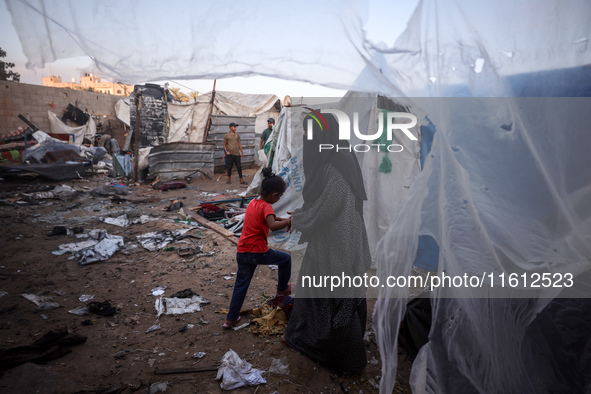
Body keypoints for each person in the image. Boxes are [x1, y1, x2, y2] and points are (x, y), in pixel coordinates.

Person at [284, 112, 371, 374]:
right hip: (340, 232)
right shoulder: (341, 154)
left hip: (337, 237)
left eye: (311, 134)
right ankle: (310, 338)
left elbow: (330, 204)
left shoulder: (333, 163)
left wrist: (299, 218)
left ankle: (346, 357)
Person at [223, 167, 293, 328]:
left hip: (243, 251)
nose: (280, 198)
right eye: (280, 196)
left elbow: (273, 219)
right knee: (286, 259)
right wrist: (288, 222)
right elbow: (273, 225)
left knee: (241, 285)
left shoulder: (254, 203)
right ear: (274, 195)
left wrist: (286, 219)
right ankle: (282, 289)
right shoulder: (267, 206)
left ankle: (231, 319)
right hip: (257, 252)